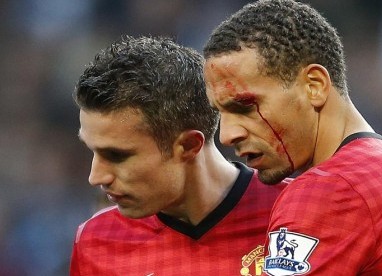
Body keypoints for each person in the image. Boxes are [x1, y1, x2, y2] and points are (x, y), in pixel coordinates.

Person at [202, 0, 382, 275]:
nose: (227, 135)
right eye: (221, 113)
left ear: (314, 86)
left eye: (244, 106)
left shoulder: (330, 191)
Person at [70, 35, 289, 275]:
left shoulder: (297, 212)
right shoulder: (97, 242)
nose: (96, 177)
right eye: (93, 151)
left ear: (188, 146)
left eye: (116, 155)